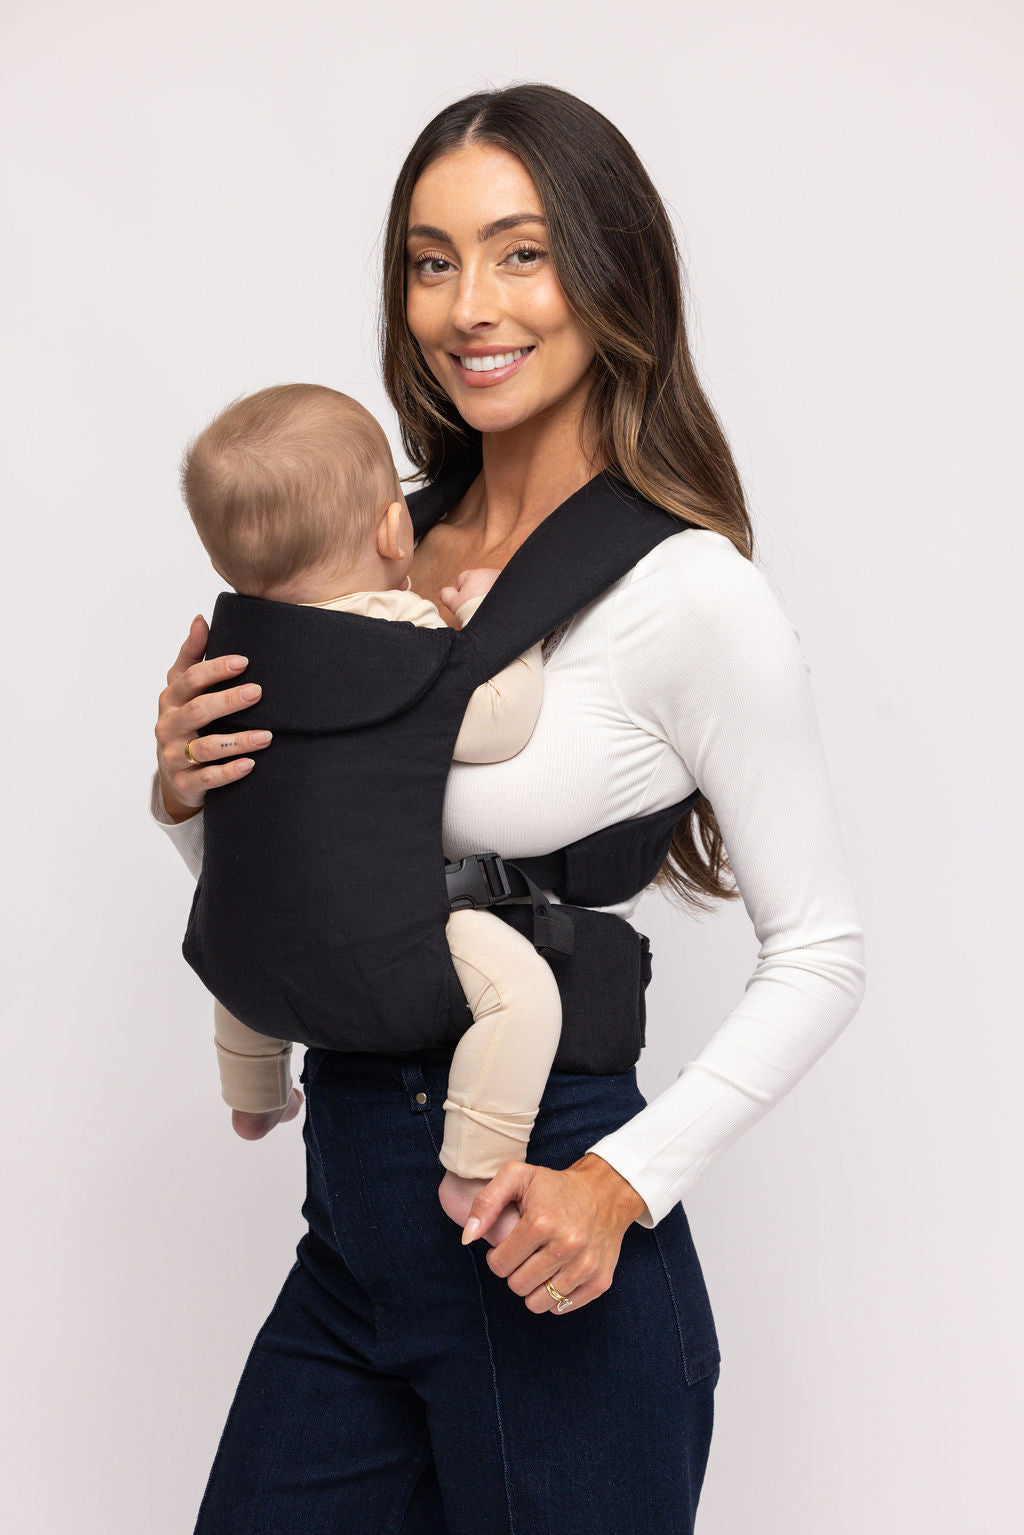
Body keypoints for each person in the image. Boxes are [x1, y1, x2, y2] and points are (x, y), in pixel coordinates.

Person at [151, 83, 866, 1533]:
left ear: (611, 273)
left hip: (546, 1222)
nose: (468, 304)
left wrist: (623, 1182)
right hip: (348, 1205)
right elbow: (311, 857)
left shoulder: (689, 592)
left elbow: (823, 951)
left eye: (519, 252)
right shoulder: (370, 531)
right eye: (431, 259)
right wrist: (185, 788)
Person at [177, 380, 563, 1237]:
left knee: (247, 941)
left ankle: (251, 1097)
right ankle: (473, 1171)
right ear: (396, 529)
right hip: (383, 948)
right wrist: (507, 630)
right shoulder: (408, 639)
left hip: (247, 946)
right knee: (523, 994)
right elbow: (503, 723)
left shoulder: (225, 665)